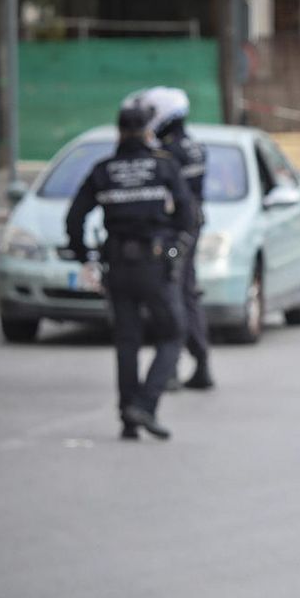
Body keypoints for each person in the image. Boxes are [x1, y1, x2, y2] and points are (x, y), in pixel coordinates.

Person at [65, 101, 199, 440]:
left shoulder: (103, 169)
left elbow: (74, 217)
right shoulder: (163, 167)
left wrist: (86, 257)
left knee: (127, 341)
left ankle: (127, 415)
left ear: (119, 132)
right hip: (153, 264)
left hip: (117, 266)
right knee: (173, 333)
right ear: (148, 133)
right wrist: (174, 248)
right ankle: (145, 404)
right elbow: (188, 215)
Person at [141, 86, 214, 390]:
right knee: (185, 290)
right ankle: (200, 362)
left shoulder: (169, 153)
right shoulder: (194, 146)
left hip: (174, 238)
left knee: (173, 291)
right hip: (191, 231)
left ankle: (171, 365)